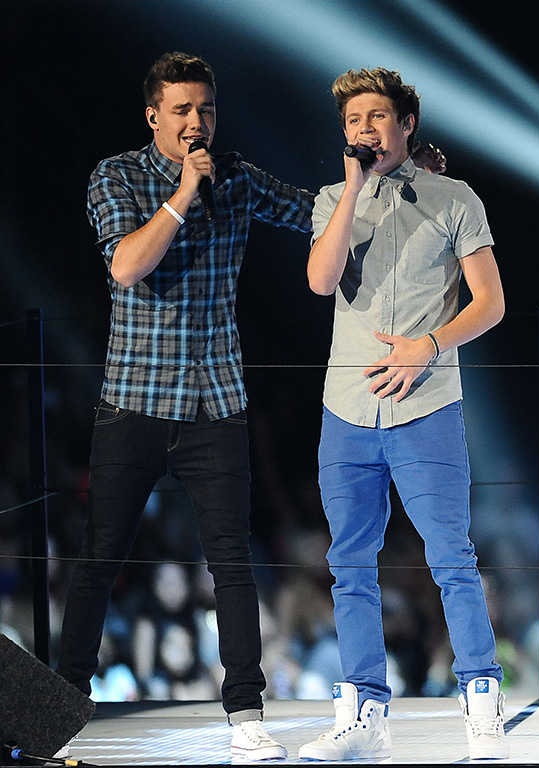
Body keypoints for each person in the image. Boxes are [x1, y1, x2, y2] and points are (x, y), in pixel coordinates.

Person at [65, 50, 314, 761]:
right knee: (100, 557)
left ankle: (246, 715)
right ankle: (62, 702)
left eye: (205, 109)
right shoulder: (116, 176)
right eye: (182, 110)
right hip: (135, 400)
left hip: (216, 401)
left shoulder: (235, 176)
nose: (196, 122)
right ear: (154, 116)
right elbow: (126, 265)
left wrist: (388, 180)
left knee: (231, 562)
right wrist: (181, 194)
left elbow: (313, 212)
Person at [299, 66, 508, 762]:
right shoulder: (332, 200)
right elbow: (320, 280)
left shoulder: (454, 198)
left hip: (427, 405)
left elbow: (490, 303)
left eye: (378, 117)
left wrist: (429, 346)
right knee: (348, 563)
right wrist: (352, 191)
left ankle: (481, 701)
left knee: (451, 555)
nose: (365, 130)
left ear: (406, 124)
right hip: (346, 408)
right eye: (353, 121)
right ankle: (363, 713)